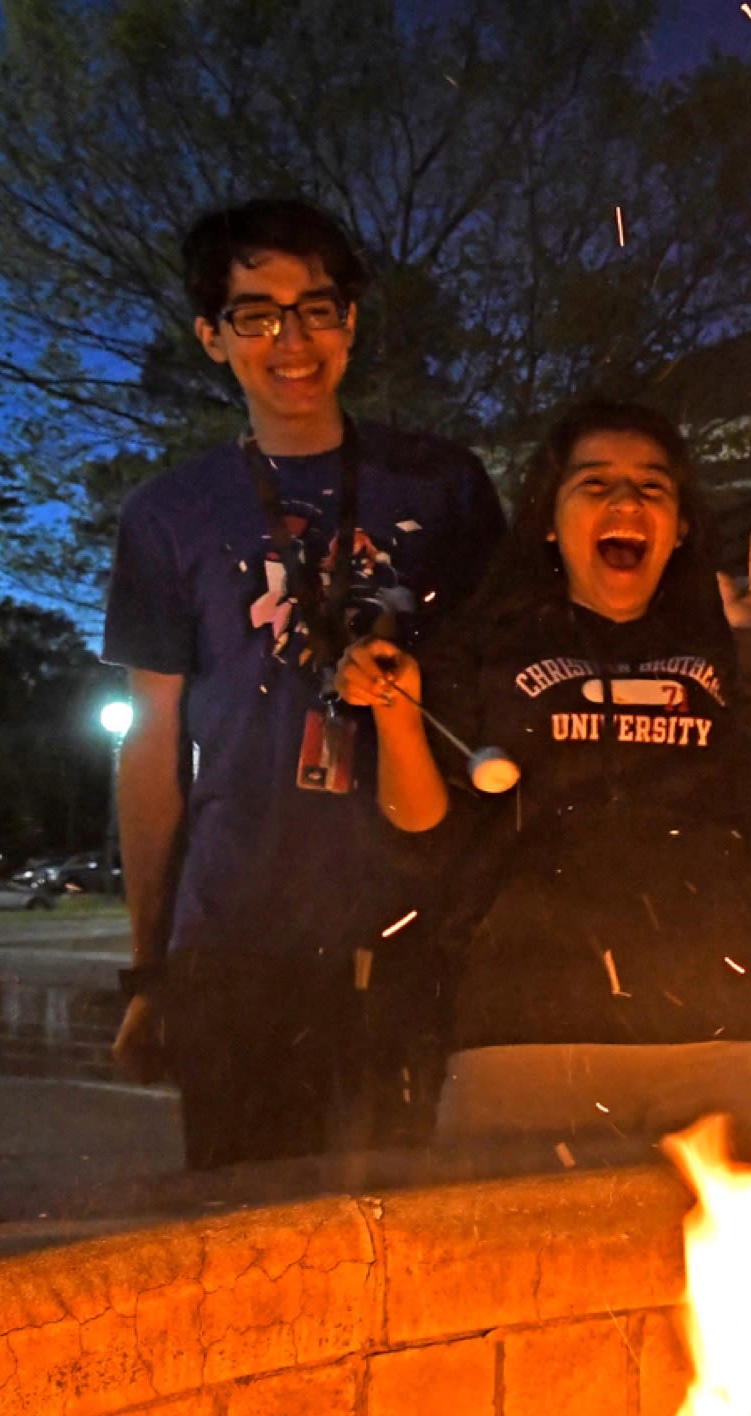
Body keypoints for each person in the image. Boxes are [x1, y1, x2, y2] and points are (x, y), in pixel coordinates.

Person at [103, 200, 503, 1169]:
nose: (293, 340)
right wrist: (153, 964)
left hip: (412, 928)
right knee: (252, 1240)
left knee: (417, 1232)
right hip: (239, 936)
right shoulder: (169, 516)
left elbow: (504, 684)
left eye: (317, 309)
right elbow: (151, 742)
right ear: (212, 336)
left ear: (351, 323)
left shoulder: (440, 487)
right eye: (256, 314)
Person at [334, 401, 751, 1145]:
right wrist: (397, 715)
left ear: (682, 526)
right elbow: (423, 844)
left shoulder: (729, 642)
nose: (626, 502)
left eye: (652, 487)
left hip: (739, 1030)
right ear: (547, 519)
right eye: (595, 484)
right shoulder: (483, 647)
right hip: (525, 1032)